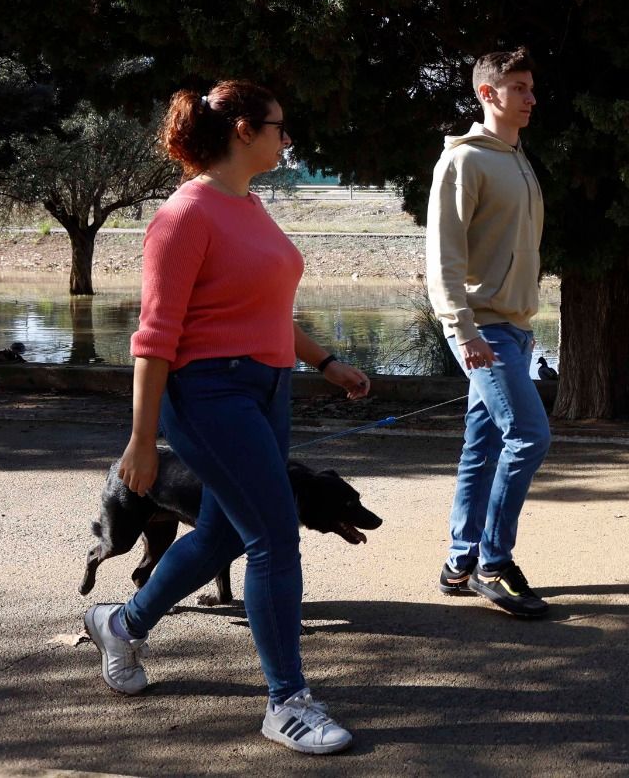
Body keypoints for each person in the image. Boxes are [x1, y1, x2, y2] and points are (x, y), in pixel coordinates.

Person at [82, 80, 372, 756]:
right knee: (274, 536)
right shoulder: (183, 218)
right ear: (243, 130)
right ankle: (287, 703)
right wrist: (141, 443)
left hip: (266, 391)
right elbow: (153, 341)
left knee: (222, 535)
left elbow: (264, 308)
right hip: (209, 396)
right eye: (278, 126)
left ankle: (120, 624)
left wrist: (325, 362)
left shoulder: (248, 204)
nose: (286, 137)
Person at [426, 47, 551, 618]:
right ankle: (493, 564)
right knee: (529, 435)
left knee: (484, 446)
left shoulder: (517, 160)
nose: (530, 96)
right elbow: (444, 260)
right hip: (484, 329)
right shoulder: (464, 162)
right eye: (518, 87)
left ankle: (460, 559)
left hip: (515, 329)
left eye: (531, 87)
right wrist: (463, 329)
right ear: (488, 93)